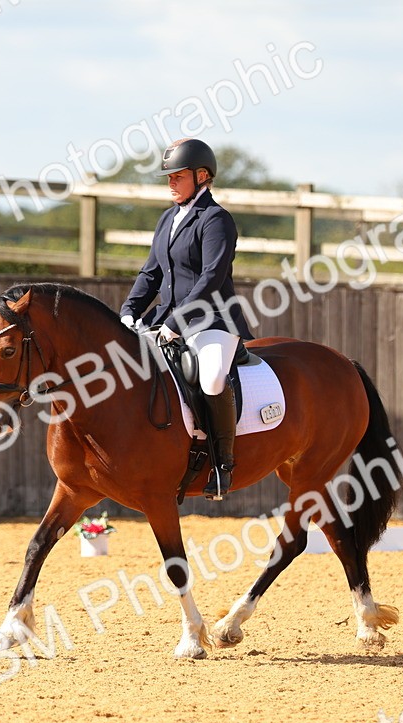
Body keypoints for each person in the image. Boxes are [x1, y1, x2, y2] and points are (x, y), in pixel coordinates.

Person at [120, 138, 253, 500]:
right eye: (170, 177)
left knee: (211, 378)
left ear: (202, 176)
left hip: (213, 321)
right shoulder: (168, 218)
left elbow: (211, 278)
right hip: (165, 318)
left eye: (178, 176)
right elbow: (150, 273)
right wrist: (129, 312)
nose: (171, 182)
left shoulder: (216, 219)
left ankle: (223, 465)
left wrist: (176, 323)